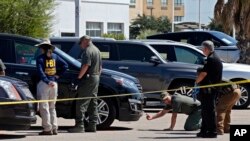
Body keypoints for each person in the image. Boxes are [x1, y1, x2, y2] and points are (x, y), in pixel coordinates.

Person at [68, 35, 102, 133]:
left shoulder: (88, 51)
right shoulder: (97, 50)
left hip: (89, 77)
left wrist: (79, 78)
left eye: (81, 43)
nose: (80, 45)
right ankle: (92, 125)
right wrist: (96, 77)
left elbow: (86, 65)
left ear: (85, 41)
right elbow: (100, 67)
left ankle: (80, 125)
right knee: (92, 102)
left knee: (81, 102)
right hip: (95, 77)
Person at [36, 39, 68, 135]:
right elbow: (65, 65)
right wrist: (57, 75)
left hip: (45, 84)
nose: (40, 49)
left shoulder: (40, 58)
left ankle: (47, 129)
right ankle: (54, 128)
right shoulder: (55, 56)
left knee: (44, 107)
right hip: (54, 84)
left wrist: (46, 81)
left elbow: (40, 72)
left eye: (41, 47)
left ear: (43, 48)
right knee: (52, 107)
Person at [194, 40, 223, 138]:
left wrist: (196, 82)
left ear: (206, 49)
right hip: (210, 89)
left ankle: (212, 132)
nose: (202, 50)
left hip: (209, 90)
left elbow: (203, 73)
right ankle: (204, 130)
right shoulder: (214, 57)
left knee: (208, 111)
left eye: (203, 48)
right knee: (205, 111)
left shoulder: (211, 59)